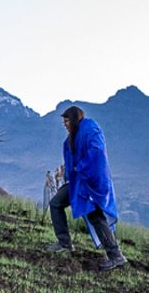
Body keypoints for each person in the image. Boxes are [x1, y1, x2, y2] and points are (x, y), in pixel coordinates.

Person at [46, 105, 127, 270]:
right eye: (64, 121)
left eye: (67, 120)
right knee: (56, 203)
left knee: (95, 216)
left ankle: (116, 256)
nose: (65, 124)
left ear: (75, 119)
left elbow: (97, 151)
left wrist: (81, 167)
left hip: (90, 182)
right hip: (78, 182)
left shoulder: (91, 129)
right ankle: (64, 243)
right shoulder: (73, 136)